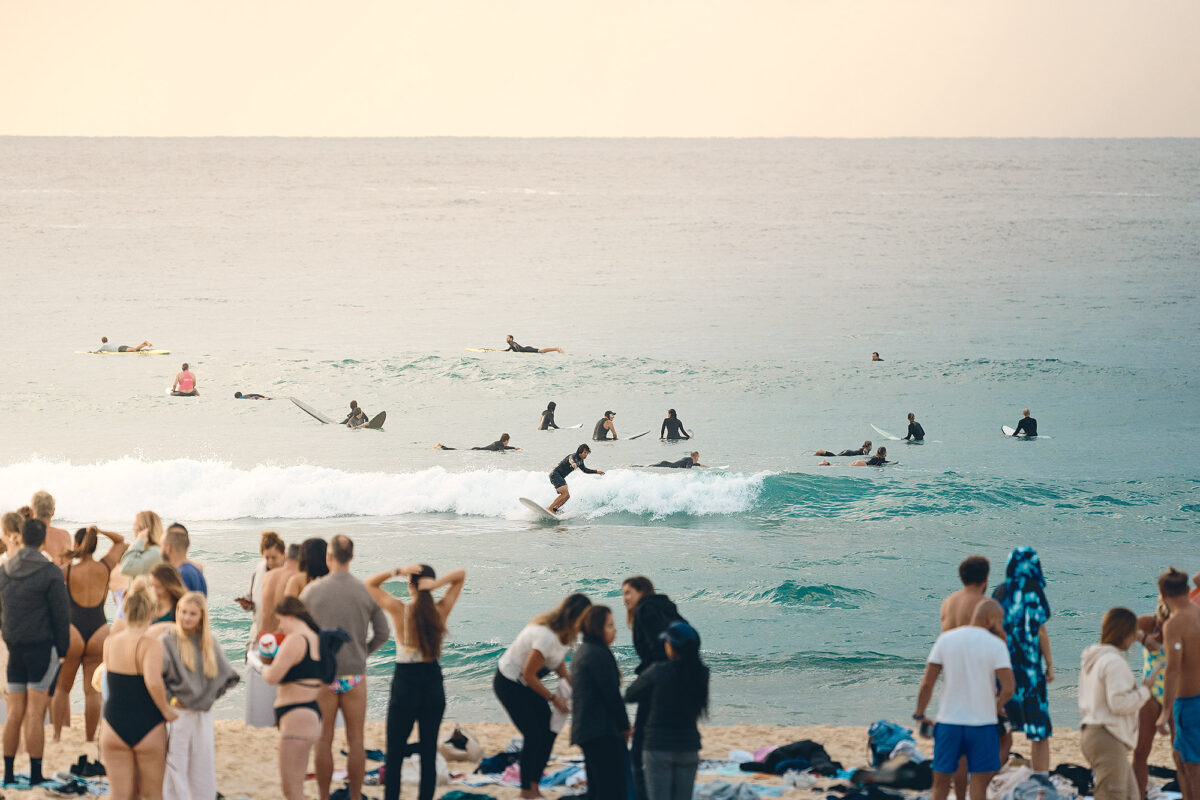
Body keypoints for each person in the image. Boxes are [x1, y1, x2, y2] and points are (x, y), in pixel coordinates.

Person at [365, 563, 466, 800]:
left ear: (411, 585)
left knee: (395, 753)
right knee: (428, 752)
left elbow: (370, 584)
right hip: (432, 682)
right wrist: (435, 585)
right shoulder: (440, 610)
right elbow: (460, 575)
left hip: (406, 683)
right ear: (429, 585)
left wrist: (397, 570)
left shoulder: (400, 610)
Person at [300, 535, 390, 800]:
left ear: (329, 557)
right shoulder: (364, 591)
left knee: (324, 741)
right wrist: (362, 653)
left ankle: (324, 796)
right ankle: (354, 796)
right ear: (351, 556)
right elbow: (383, 633)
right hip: (354, 675)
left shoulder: (312, 591)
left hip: (323, 676)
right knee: (356, 740)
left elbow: (299, 633)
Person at [914, 599, 1015, 800]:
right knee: (979, 784)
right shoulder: (996, 645)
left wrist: (920, 714)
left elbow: (927, 683)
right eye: (1000, 620)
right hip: (982, 725)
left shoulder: (946, 639)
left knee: (940, 784)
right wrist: (997, 707)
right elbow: (1009, 687)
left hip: (949, 723)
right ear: (991, 618)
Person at [494, 593, 592, 799]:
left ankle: (534, 786)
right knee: (534, 735)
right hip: (509, 684)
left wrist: (577, 688)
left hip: (525, 684)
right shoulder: (546, 636)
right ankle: (526, 790)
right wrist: (554, 698)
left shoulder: (564, 635)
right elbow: (529, 675)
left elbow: (558, 664)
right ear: (575, 616)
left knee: (548, 731)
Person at [0, 518, 71, 787]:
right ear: (42, 541)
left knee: (14, 712)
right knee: (34, 713)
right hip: (40, 649)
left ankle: (7, 774)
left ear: (20, 537)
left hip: (14, 648)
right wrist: (62, 650)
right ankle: (35, 774)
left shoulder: (5, 570)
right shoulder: (50, 572)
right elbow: (60, 615)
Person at [100, 579, 177, 800]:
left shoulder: (110, 642)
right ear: (151, 612)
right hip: (147, 724)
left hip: (113, 724)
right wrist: (166, 710)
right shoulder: (150, 645)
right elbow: (153, 683)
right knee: (151, 794)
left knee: (120, 795)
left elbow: (108, 680)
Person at [51, 525, 128, 743]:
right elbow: (120, 540)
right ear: (94, 545)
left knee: (62, 688)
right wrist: (101, 531)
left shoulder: (66, 570)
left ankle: (57, 737)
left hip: (73, 630)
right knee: (92, 692)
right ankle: (89, 739)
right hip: (100, 630)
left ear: (76, 545)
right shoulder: (105, 566)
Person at [161, 592, 239, 800]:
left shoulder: (208, 641)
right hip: (178, 713)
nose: (187, 617)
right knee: (175, 765)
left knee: (203, 764)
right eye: (184, 612)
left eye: (192, 614)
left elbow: (227, 676)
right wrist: (170, 699)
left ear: (201, 616)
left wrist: (209, 696)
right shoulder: (168, 640)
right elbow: (157, 677)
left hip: (202, 713)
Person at [1079, 607, 1162, 800]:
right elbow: (1119, 704)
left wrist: (1141, 638)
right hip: (1107, 736)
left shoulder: (1095, 656)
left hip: (1094, 732)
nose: (1135, 637)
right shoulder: (1114, 662)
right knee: (1113, 795)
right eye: (1134, 633)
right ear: (1125, 633)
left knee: (1130, 794)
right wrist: (1144, 690)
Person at [625, 621, 710, 800]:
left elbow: (630, 694)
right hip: (688, 747)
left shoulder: (658, 671)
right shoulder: (701, 674)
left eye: (667, 642)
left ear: (673, 646)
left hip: (658, 747)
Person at [622, 577, 686, 800]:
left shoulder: (645, 610)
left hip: (655, 685)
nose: (624, 599)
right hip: (678, 683)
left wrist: (649, 673)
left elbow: (657, 648)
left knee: (638, 750)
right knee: (663, 740)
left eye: (628, 593)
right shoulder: (667, 607)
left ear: (642, 591)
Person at [993, 547, 1054, 773]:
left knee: (1000, 727)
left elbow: (992, 630)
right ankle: (1041, 779)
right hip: (1030, 672)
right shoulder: (1034, 591)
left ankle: (989, 775)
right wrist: (1049, 664)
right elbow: (1041, 631)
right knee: (1039, 731)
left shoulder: (999, 591)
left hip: (1003, 669)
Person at [937, 555, 990, 799]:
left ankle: (960, 796)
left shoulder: (947, 603)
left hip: (951, 673)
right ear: (985, 578)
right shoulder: (984, 604)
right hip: (976, 676)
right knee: (976, 744)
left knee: (957, 747)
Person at [262, 596, 324, 800]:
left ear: (290, 616)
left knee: (291, 790)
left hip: (296, 718)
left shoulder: (296, 640)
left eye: (280, 620)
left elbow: (272, 677)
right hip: (311, 715)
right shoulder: (315, 637)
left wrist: (261, 665)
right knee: (298, 787)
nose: (280, 627)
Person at [571, 606, 631, 800]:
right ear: (597, 628)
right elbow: (611, 695)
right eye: (610, 625)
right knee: (610, 788)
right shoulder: (598, 654)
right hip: (601, 731)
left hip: (588, 730)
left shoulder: (584, 650)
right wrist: (624, 727)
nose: (615, 630)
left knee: (598, 787)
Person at [1158, 567, 1200, 800]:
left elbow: (1173, 670)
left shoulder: (1174, 624)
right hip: (1194, 701)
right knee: (1178, 756)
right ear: (1187, 590)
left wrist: (1165, 711)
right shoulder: (1198, 611)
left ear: (1163, 594)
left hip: (1189, 702)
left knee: (1192, 766)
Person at [1135, 601, 1171, 798]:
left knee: (1180, 752)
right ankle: (1140, 794)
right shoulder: (1150, 622)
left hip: (1176, 692)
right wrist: (1142, 639)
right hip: (1151, 693)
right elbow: (1123, 625)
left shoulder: (1183, 624)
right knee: (1141, 750)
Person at [236, 531, 287, 645]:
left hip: (281, 637)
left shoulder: (290, 576)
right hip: (258, 636)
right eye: (266, 557)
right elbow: (251, 598)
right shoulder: (259, 570)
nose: (270, 562)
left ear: (284, 554)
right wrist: (246, 603)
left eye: (274, 558)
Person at [547, 445, 605, 515]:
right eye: (585, 452)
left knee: (567, 496)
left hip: (560, 477)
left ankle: (555, 509)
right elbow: (570, 459)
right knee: (565, 494)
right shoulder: (573, 456)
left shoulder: (580, 461)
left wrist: (596, 472)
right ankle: (550, 508)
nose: (586, 455)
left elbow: (585, 470)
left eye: (587, 453)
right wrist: (573, 463)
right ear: (580, 452)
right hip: (555, 474)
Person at [119, 510, 166, 580]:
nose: (133, 528)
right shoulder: (147, 550)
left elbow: (125, 568)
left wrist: (139, 541)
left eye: (135, 525)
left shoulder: (154, 552)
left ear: (144, 528)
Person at [29, 490, 71, 566]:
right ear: (53, 511)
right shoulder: (64, 536)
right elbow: (68, 569)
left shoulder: (23, 535)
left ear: (31, 512)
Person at [163, 523, 207, 596]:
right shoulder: (195, 569)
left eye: (162, 546)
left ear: (168, 548)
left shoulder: (182, 574)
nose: (160, 550)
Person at [433, 433, 520, 451]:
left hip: (477, 449)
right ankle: (441, 446)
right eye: (508, 441)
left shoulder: (499, 443)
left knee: (457, 450)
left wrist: (513, 448)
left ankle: (441, 446)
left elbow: (504, 448)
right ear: (507, 440)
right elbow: (502, 451)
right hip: (477, 450)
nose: (508, 442)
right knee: (456, 450)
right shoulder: (500, 444)